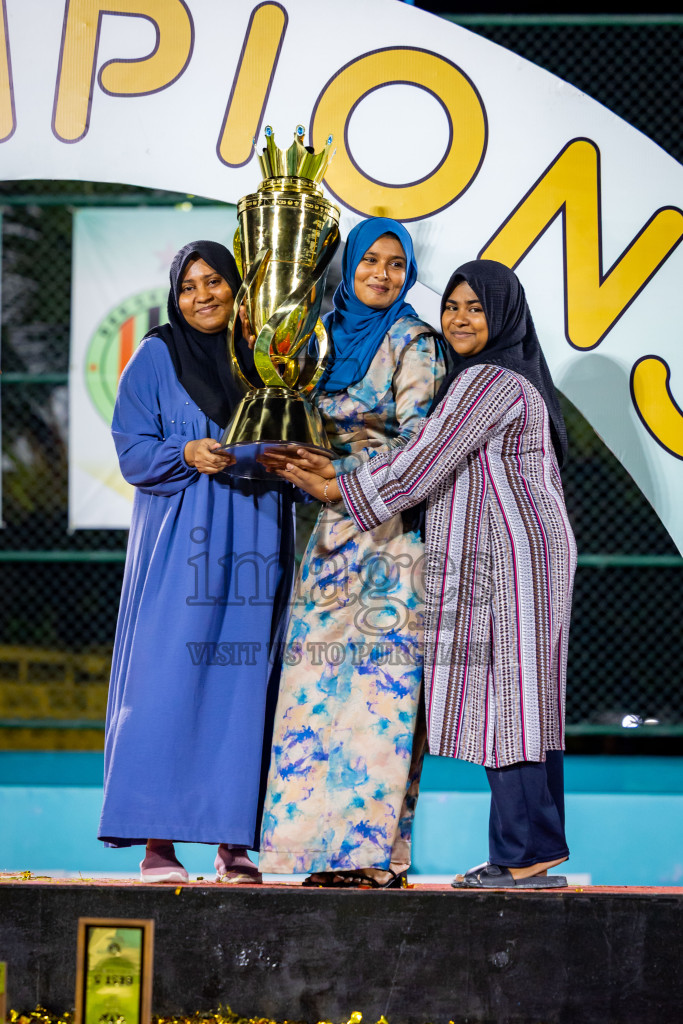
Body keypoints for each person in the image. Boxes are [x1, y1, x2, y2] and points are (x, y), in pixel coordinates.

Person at [276, 259, 577, 890]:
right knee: (529, 702)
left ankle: (524, 857)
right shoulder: (508, 379)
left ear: (504, 317)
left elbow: (418, 465)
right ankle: (536, 850)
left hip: (510, 557)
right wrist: (335, 479)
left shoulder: (487, 383)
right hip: (523, 554)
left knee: (514, 705)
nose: (459, 319)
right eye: (453, 307)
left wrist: (333, 487)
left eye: (475, 308)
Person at [98, 240, 295, 884]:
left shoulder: (266, 357)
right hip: (180, 536)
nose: (202, 295)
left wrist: (248, 456)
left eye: (216, 282)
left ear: (238, 291)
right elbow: (133, 452)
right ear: (175, 297)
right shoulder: (154, 357)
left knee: (242, 688)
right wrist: (187, 453)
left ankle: (234, 844)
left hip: (257, 533)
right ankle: (159, 843)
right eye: (189, 285)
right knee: (167, 681)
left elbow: (292, 440)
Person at [257, 217, 446, 887]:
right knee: (311, 691)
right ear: (352, 265)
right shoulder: (319, 340)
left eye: (397, 264)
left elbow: (422, 447)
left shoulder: (414, 342)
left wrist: (340, 472)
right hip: (331, 536)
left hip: (392, 534)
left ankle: (368, 857)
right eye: (372, 260)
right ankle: (304, 854)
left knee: (380, 694)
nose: (383, 274)